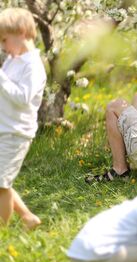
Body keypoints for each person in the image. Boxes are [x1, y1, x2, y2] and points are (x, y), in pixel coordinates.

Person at [0, 8, 46, 229]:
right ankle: (28, 218)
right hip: (4, 128)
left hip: (16, 133)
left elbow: (23, 97)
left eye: (4, 39)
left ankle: (2, 232)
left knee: (1, 185)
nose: (2, 46)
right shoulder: (13, 60)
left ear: (21, 33)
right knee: (2, 180)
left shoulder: (33, 66)